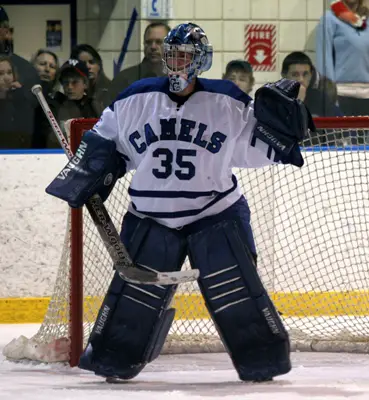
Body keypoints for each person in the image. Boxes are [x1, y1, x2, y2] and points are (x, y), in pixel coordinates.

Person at [46, 23, 314, 383]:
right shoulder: (134, 98)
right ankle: (115, 357)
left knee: (237, 295)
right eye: (171, 55)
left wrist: (284, 132)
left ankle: (262, 359)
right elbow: (107, 143)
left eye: (184, 56)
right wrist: (90, 171)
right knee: (131, 302)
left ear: (200, 60)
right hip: (151, 216)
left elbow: (260, 148)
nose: (176, 63)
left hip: (215, 213)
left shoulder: (227, 100)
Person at [316, 0, 369, 115]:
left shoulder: (367, 18)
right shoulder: (329, 19)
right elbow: (324, 58)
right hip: (341, 94)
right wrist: (329, 96)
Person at [107, 21, 170, 102]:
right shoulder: (124, 80)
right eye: (148, 42)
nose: (153, 47)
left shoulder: (179, 80)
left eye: (159, 42)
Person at [281, 51, 340, 117]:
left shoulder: (321, 99)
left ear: (311, 75)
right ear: (284, 76)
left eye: (305, 74)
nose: (301, 79)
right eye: (295, 75)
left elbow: (340, 122)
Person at [0, 56, 35, 148]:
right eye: (0, 74)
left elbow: (26, 131)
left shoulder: (19, 99)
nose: (7, 78)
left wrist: (21, 95)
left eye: (9, 72)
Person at [70, 44, 111, 112]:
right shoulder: (71, 91)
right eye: (82, 63)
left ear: (99, 65)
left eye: (91, 62)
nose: (88, 66)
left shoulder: (110, 91)